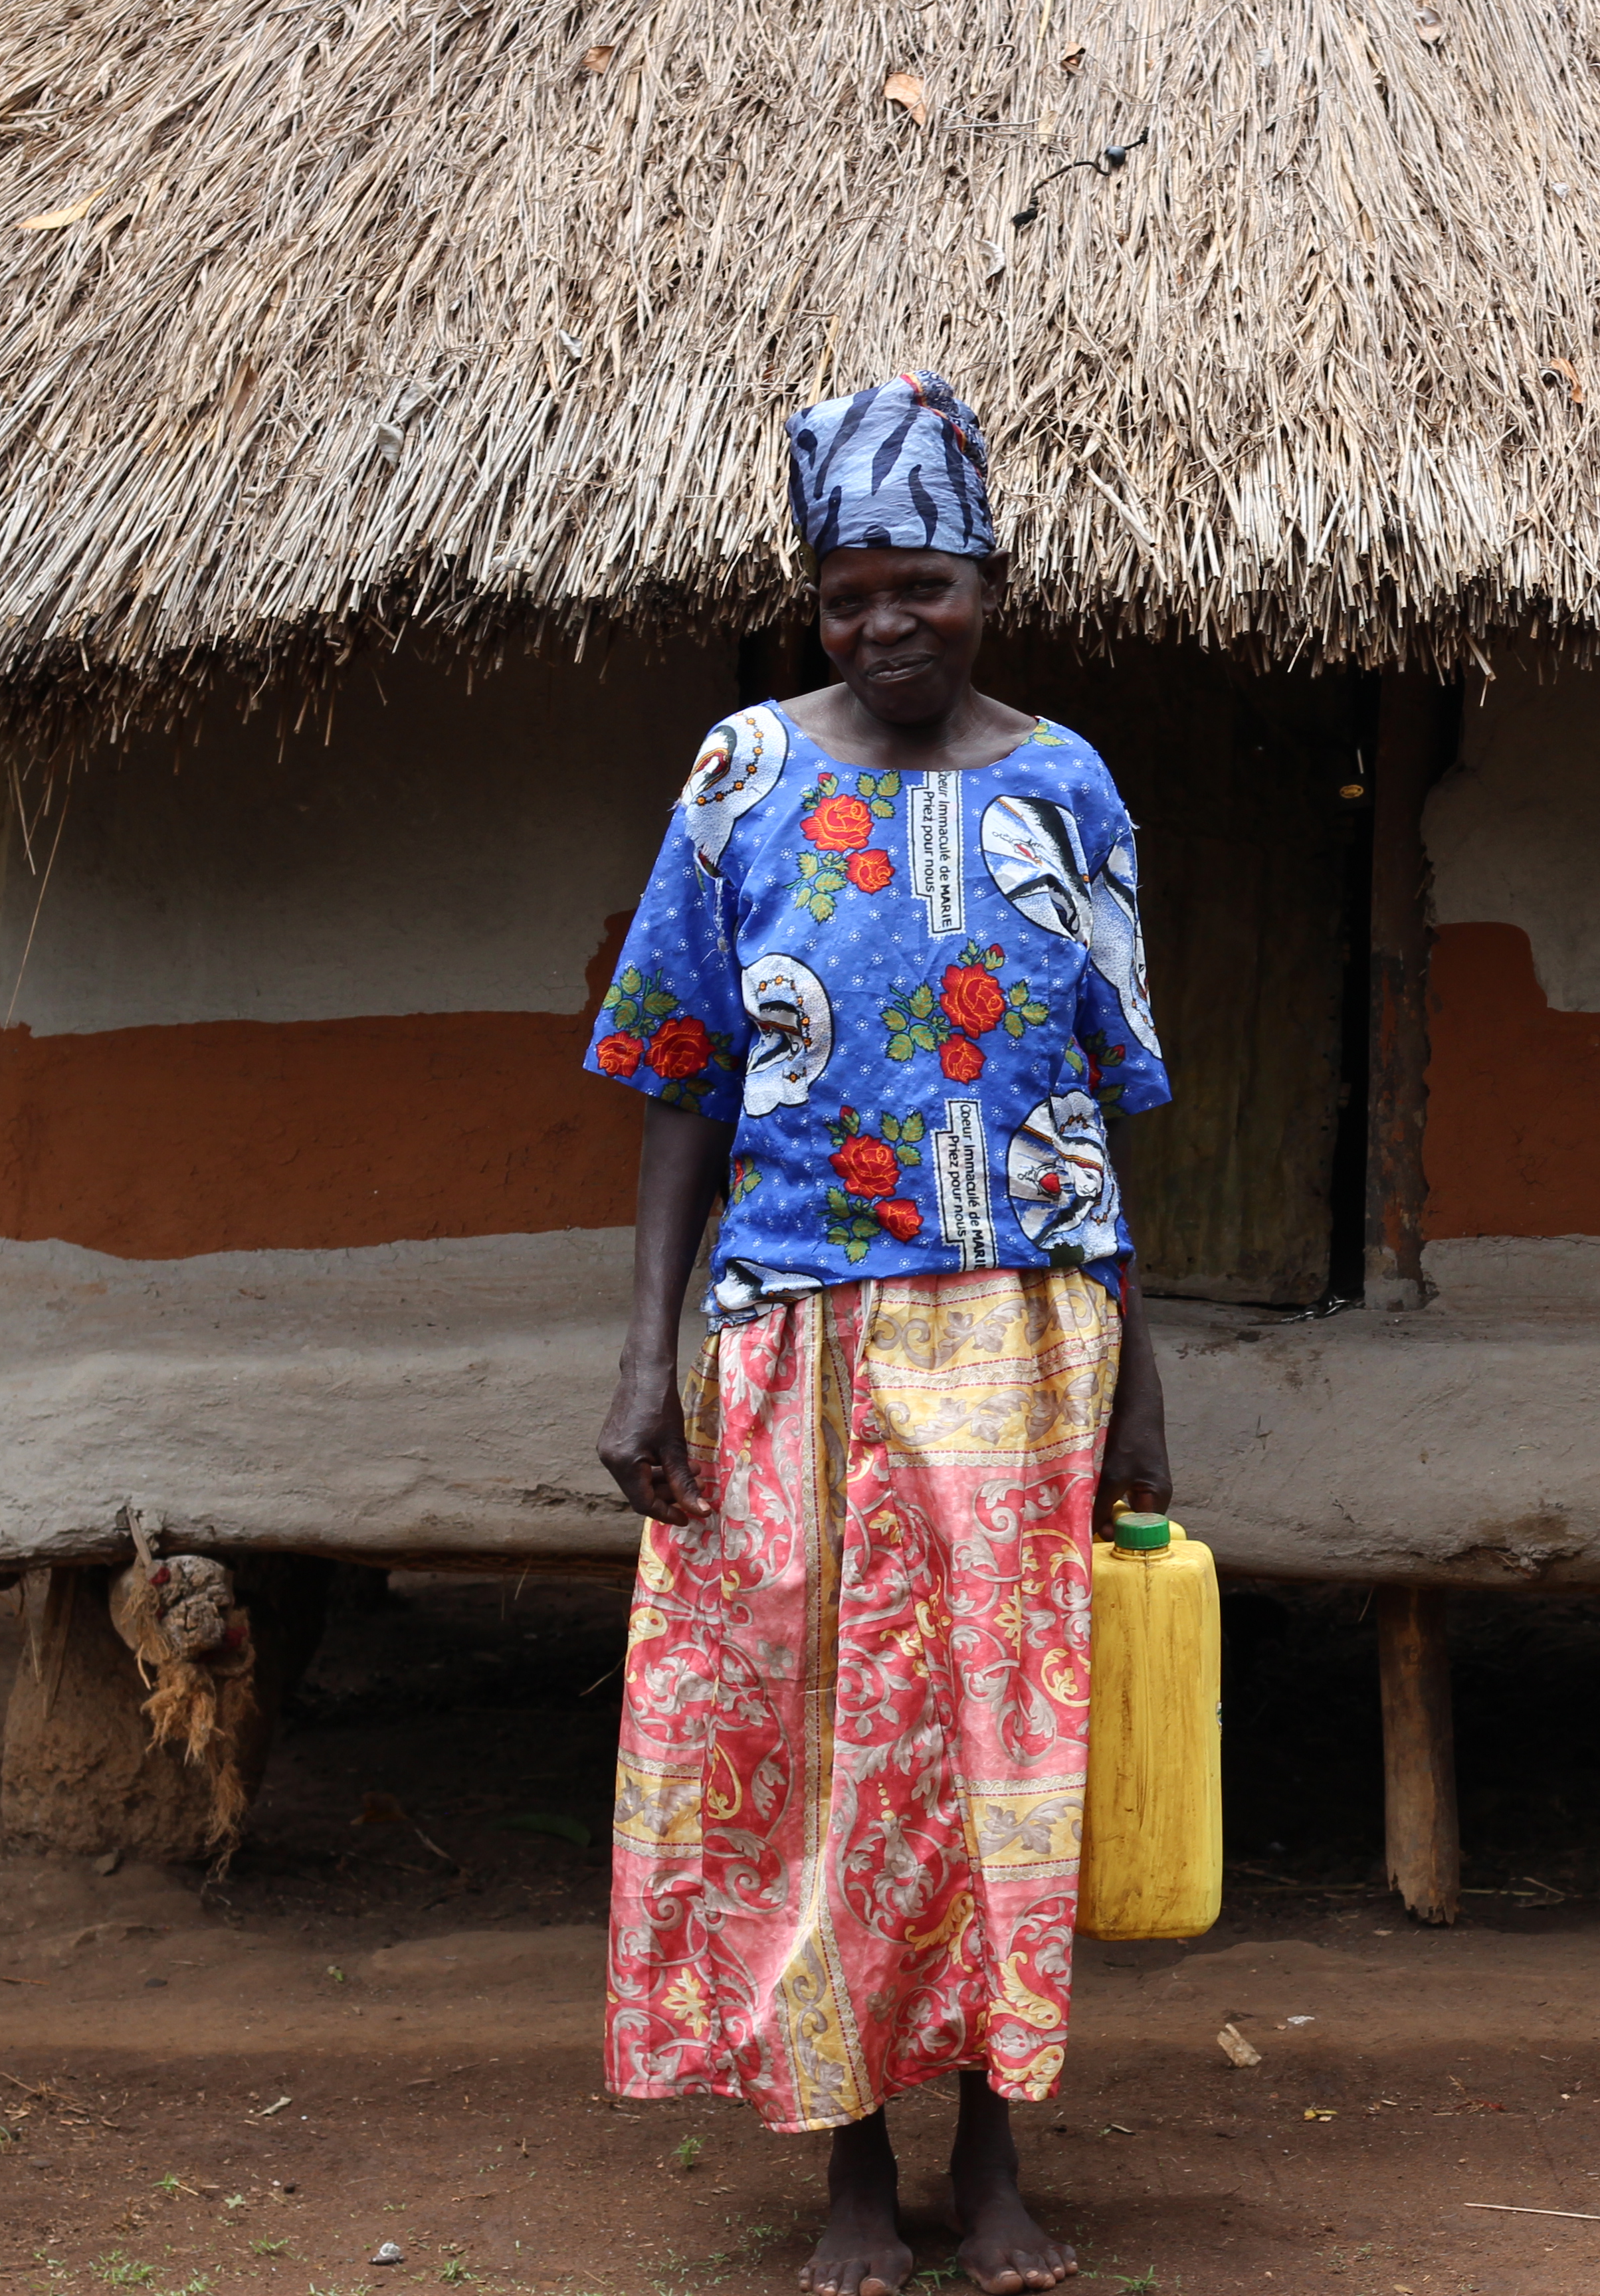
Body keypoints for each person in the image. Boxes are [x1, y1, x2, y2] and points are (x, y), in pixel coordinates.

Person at [586, 371, 1170, 2296]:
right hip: (792, 1330)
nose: (883, 625)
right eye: (846, 595)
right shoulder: (742, 774)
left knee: (1011, 1756)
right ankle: (850, 2169)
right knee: (820, 1746)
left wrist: (1144, 1392)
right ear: (809, 602)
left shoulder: (1067, 786)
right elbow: (680, 1077)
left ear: (989, 577)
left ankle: (994, 2161)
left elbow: (1098, 1094)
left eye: (918, 583)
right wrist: (638, 1353)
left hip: (1024, 1329)